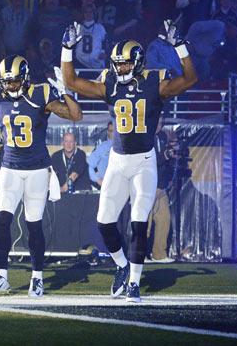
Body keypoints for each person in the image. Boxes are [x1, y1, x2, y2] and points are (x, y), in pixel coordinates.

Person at [60, 19, 198, 302]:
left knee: (138, 221)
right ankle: (123, 266)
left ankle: (134, 282)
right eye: (117, 64)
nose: (119, 68)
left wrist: (181, 47)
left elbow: (190, 79)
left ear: (136, 62)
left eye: (124, 64)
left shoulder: (154, 82)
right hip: (118, 161)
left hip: (144, 161)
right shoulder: (109, 83)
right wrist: (66, 50)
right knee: (104, 222)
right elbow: (71, 81)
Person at [0, 46, 82, 297]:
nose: (9, 86)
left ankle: (37, 278)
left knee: (33, 224)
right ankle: (1, 277)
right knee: (2, 221)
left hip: (36, 170)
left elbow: (76, 116)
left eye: (13, 81)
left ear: (24, 77)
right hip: (10, 168)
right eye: (6, 81)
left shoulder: (40, 93)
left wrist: (66, 92)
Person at [146, 117, 175, 264]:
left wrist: (169, 178)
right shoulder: (144, 136)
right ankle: (141, 255)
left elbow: (168, 160)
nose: (159, 125)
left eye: (161, 122)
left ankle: (159, 254)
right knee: (146, 223)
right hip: (147, 186)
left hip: (161, 186)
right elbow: (149, 160)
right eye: (156, 121)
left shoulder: (163, 136)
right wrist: (165, 155)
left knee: (164, 220)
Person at [88, 121, 114, 190]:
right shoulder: (102, 147)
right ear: (108, 132)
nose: (113, 134)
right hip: (104, 186)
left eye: (115, 131)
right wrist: (98, 180)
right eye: (111, 131)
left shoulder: (125, 147)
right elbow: (91, 165)